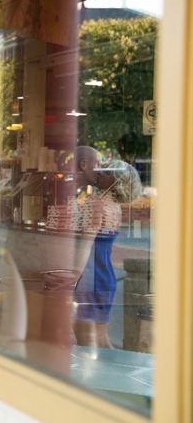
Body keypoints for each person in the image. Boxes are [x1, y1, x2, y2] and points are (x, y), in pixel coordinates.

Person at [72, 146, 142, 349]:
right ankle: (119, 374)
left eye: (108, 171)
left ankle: (103, 379)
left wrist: (72, 279)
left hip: (90, 278)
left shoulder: (96, 202)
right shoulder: (115, 207)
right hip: (105, 277)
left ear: (116, 183)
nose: (100, 170)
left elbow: (86, 245)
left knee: (86, 341)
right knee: (101, 340)